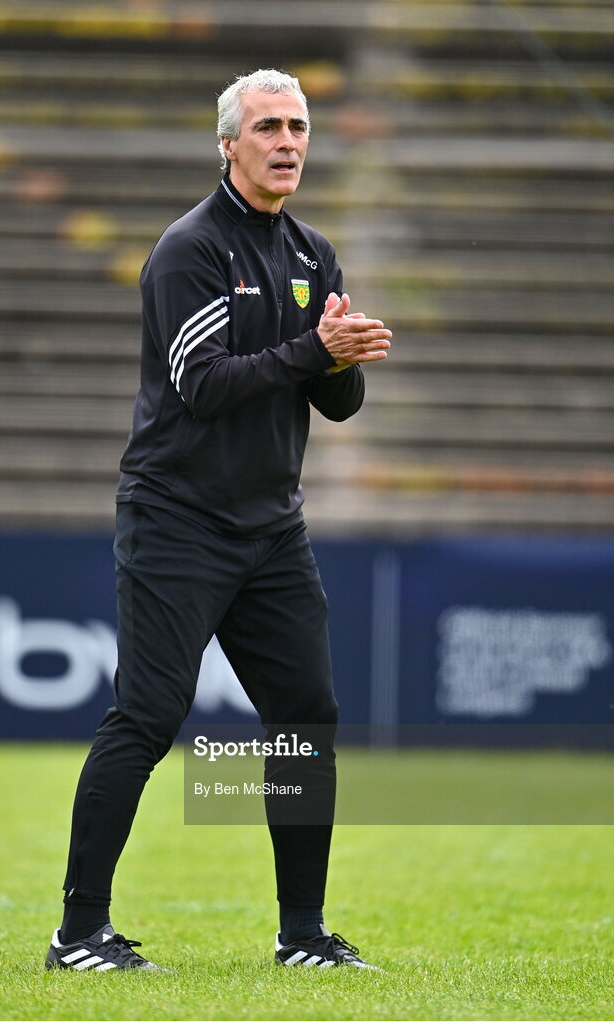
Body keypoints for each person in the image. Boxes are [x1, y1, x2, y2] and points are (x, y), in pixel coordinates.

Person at [45, 68, 392, 973]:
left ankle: (302, 933)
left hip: (273, 528)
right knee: (148, 716)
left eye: (300, 126)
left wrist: (341, 359)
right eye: (269, 126)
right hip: (179, 519)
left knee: (304, 719)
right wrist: (312, 349)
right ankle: (77, 934)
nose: (288, 141)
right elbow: (201, 389)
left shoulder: (315, 255)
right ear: (229, 144)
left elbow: (339, 405)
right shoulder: (189, 250)